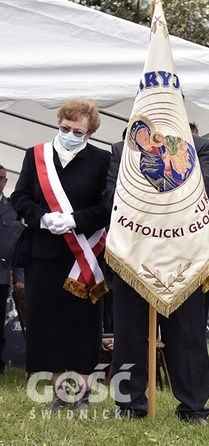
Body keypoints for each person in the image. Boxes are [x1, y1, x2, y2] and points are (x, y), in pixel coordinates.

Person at [103, 123, 209, 424]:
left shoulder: (199, 147)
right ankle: (129, 405)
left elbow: (202, 193)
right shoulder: (121, 151)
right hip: (134, 256)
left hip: (183, 258)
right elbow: (108, 200)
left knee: (187, 335)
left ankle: (193, 408)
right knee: (130, 335)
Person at [11, 98, 110, 409]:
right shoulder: (36, 155)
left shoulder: (101, 160)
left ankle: (82, 393)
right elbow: (20, 197)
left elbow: (105, 206)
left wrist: (74, 220)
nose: (69, 133)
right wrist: (41, 217)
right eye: (65, 128)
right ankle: (59, 392)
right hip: (44, 253)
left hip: (84, 255)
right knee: (48, 322)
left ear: (89, 133)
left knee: (83, 322)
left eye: (77, 131)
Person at [0, 165, 25, 374]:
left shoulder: (12, 209)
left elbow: (17, 247)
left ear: (6, 181)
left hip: (1, 274)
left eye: (0, 178)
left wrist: (19, 277)